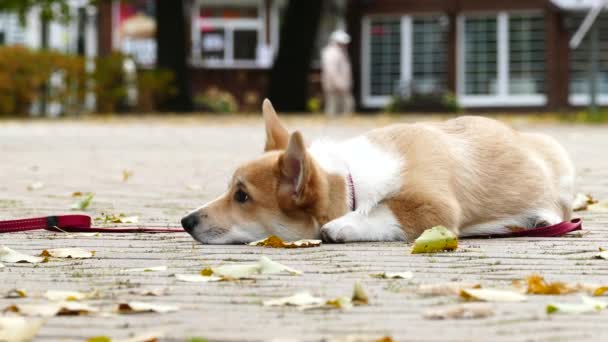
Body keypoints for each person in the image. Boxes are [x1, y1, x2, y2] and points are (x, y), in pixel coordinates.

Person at [321, 30, 354, 116]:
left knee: (344, 108)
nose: (345, 45)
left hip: (341, 86)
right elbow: (331, 71)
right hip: (335, 86)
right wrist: (340, 84)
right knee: (334, 108)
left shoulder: (341, 52)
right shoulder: (331, 53)